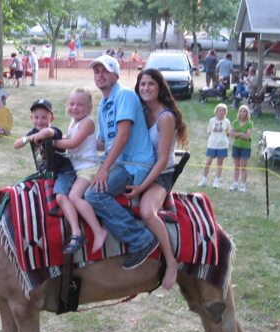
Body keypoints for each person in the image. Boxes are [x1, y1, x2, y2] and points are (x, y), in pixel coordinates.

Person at [85, 55, 158, 269]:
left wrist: (104, 169)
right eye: (96, 71)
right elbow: (102, 142)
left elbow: (123, 135)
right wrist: (68, 143)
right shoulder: (103, 104)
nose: (100, 75)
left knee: (94, 194)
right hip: (118, 162)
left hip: (135, 165)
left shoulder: (124, 95)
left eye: (104, 70)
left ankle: (141, 239)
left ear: (115, 75)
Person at [130, 68, 189, 289]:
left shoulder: (166, 118)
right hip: (140, 170)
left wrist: (141, 187)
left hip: (160, 176)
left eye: (150, 84)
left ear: (160, 87)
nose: (145, 88)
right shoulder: (142, 112)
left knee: (146, 211)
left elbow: (163, 160)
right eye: (142, 84)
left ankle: (171, 262)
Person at [51, 88, 108, 254]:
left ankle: (98, 230)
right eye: (72, 103)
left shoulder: (87, 122)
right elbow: (68, 139)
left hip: (88, 169)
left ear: (89, 108)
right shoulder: (74, 121)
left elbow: (73, 144)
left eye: (80, 105)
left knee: (74, 196)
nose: (75, 107)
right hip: (75, 168)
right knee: (62, 195)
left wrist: (51, 142)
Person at [13, 99, 76, 241]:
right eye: (36, 117)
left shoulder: (54, 131)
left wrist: (35, 137)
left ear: (51, 119)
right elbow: (16, 144)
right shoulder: (33, 132)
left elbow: (47, 132)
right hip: (46, 173)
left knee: (60, 196)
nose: (40, 121)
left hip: (64, 172)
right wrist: (29, 137)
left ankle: (74, 229)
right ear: (31, 118)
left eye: (44, 118)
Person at [198, 103, 231, 188]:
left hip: (222, 145)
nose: (221, 112)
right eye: (220, 110)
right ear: (216, 111)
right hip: (212, 144)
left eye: (223, 111)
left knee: (220, 163)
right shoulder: (212, 120)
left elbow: (228, 133)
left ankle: (216, 181)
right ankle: (204, 180)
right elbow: (209, 132)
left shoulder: (227, 121)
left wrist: (221, 139)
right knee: (208, 162)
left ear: (225, 112)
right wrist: (213, 139)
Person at [229, 105, 253, 193]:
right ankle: (235, 183)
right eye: (241, 111)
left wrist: (237, 133)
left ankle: (243, 185)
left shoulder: (250, 123)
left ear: (247, 113)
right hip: (236, 146)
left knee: (243, 166)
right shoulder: (235, 122)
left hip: (246, 147)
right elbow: (231, 133)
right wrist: (241, 133)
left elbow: (248, 136)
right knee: (236, 165)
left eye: (244, 111)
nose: (242, 113)